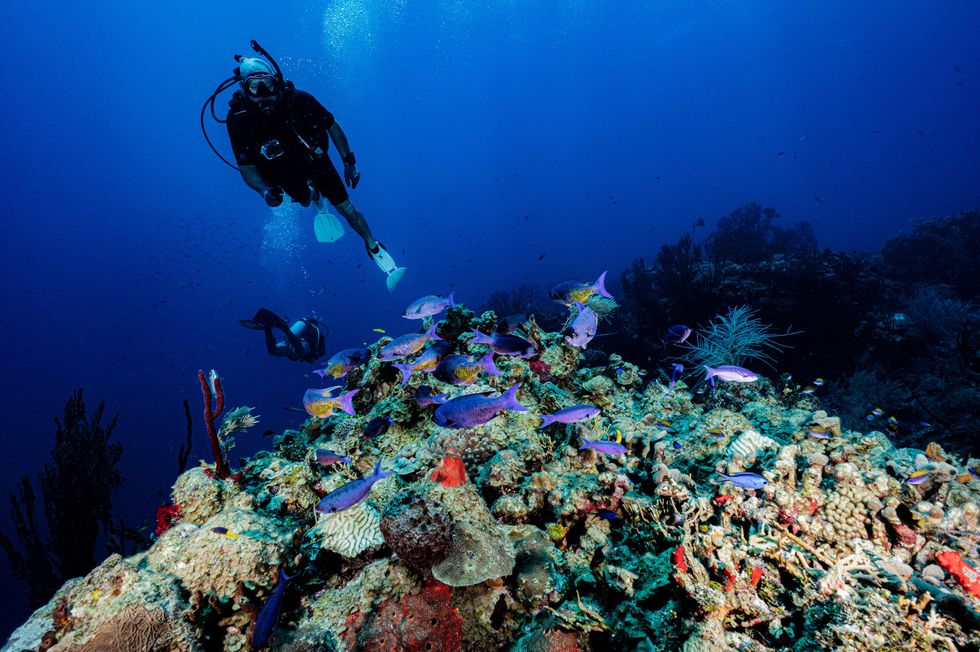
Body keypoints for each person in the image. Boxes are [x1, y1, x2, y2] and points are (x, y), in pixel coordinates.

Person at [219, 45, 406, 291]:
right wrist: (264, 191)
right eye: (255, 86)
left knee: (346, 207)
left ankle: (373, 246)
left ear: (276, 81)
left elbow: (332, 126)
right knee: (305, 200)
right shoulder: (238, 119)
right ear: (244, 88)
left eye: (267, 84)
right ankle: (314, 196)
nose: (263, 92)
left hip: (314, 159)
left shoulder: (300, 100)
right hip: (281, 172)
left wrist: (349, 162)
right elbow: (246, 166)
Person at [240, 308, 327, 363]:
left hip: (289, 341)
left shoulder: (310, 328)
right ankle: (284, 328)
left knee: (272, 351)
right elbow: (317, 353)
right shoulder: (318, 333)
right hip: (298, 344)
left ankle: (268, 329)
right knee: (299, 350)